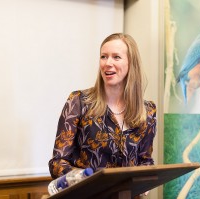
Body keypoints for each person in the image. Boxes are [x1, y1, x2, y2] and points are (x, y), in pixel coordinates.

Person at [48, 33, 157, 196]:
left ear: (131, 63)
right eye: (103, 57)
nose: (108, 63)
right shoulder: (78, 102)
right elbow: (57, 162)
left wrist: (145, 182)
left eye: (116, 57)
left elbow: (145, 161)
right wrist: (83, 178)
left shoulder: (148, 111)